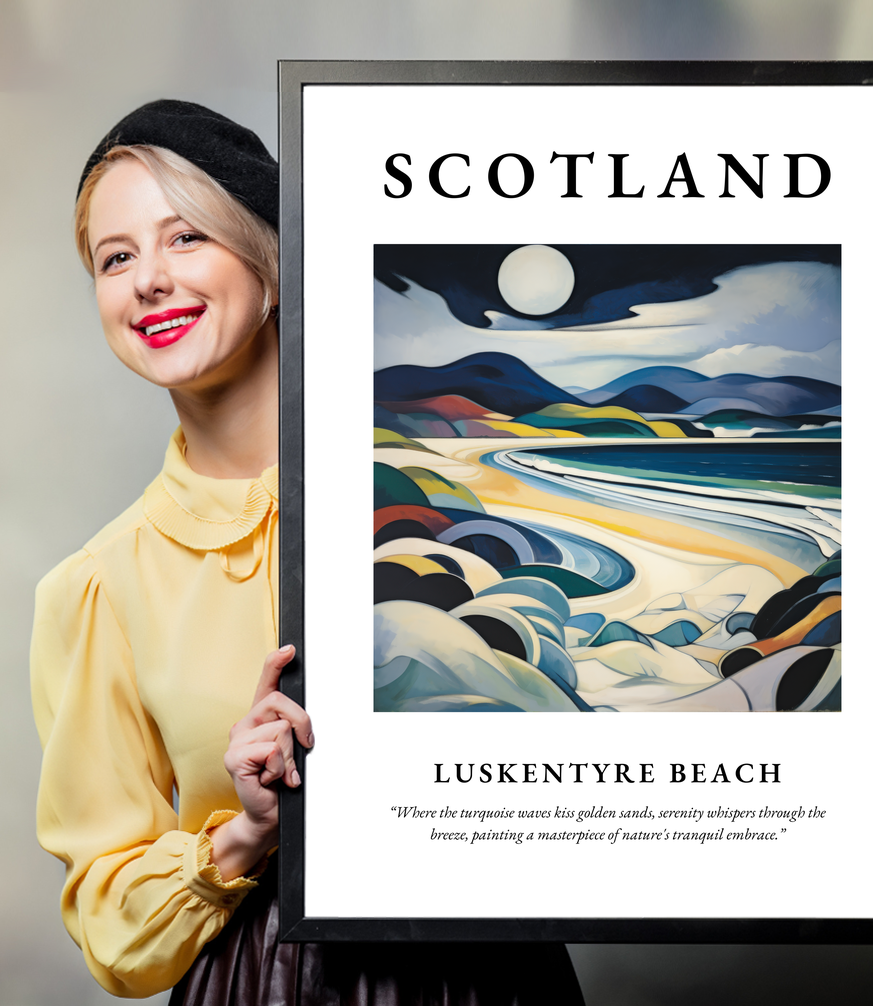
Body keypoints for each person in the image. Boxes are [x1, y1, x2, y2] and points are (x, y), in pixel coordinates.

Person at [30, 100, 585, 1004]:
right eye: (116, 257)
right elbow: (110, 924)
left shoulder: (445, 490)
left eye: (185, 239)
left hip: (493, 973)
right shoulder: (98, 587)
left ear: (273, 264)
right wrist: (244, 832)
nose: (148, 281)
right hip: (264, 981)